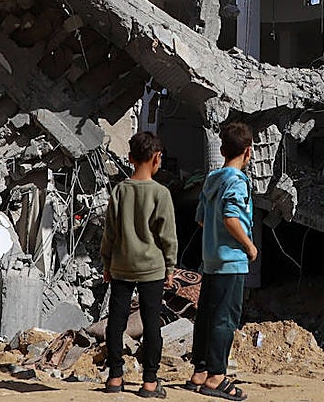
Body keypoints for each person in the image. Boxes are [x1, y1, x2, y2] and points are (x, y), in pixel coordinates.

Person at [101, 131, 178, 397]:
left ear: (131, 158)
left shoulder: (120, 191)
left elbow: (109, 232)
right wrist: (170, 267)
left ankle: (114, 377)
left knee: (116, 322)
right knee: (151, 323)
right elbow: (167, 235)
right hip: (152, 270)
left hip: (121, 267)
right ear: (157, 158)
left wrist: (107, 263)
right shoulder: (161, 193)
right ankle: (149, 382)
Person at [184, 122, 256, 400]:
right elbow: (231, 217)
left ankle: (199, 371)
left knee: (207, 316)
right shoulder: (237, 181)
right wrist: (249, 246)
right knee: (225, 319)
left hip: (211, 259)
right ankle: (216, 377)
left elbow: (202, 218)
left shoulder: (212, 179)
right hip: (231, 260)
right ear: (248, 152)